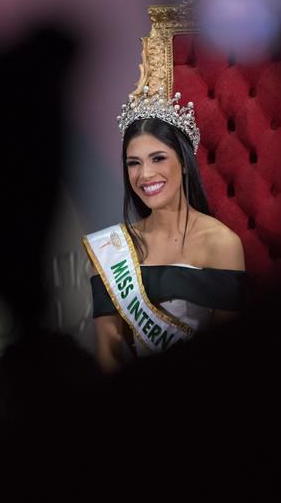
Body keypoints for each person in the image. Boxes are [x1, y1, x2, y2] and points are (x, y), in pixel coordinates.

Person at [83, 86, 246, 372]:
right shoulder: (112, 248)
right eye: (134, 163)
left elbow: (230, 355)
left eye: (158, 158)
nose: (145, 175)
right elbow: (108, 352)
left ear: (183, 162)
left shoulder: (221, 244)